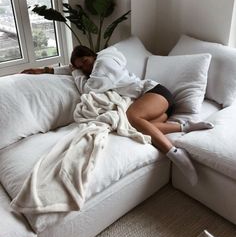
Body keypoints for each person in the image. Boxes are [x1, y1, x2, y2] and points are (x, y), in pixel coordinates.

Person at [22, 45, 214, 185]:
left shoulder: (104, 63)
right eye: (81, 66)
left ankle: (176, 154)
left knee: (131, 117)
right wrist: (45, 70)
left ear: (93, 56)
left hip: (156, 93)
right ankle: (186, 126)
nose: (85, 68)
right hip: (158, 110)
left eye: (86, 62)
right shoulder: (94, 67)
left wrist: (77, 73)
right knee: (135, 126)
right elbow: (73, 69)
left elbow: (89, 89)